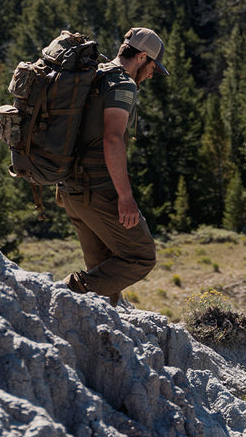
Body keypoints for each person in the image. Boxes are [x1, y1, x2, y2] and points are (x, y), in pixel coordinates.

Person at [60, 27, 168, 306]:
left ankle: (102, 334)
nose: (152, 73)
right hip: (98, 190)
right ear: (142, 56)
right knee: (140, 256)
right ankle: (61, 293)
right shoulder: (122, 84)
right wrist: (125, 196)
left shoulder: (94, 74)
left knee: (104, 274)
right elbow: (112, 139)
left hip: (71, 191)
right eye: (152, 66)